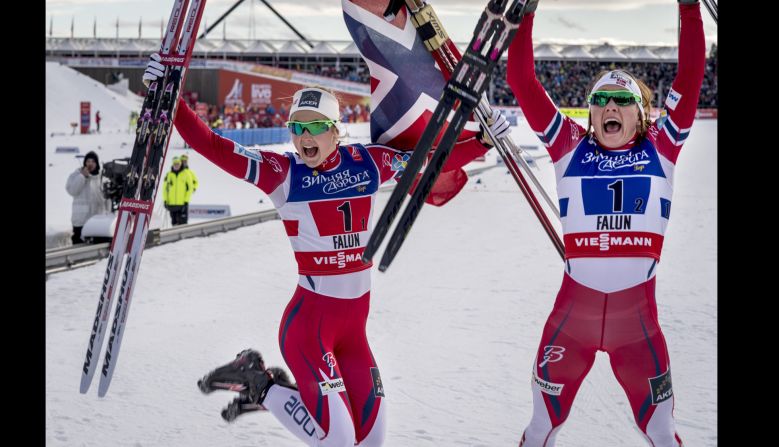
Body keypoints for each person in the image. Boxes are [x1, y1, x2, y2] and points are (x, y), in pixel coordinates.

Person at [144, 54, 510, 446]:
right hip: (308, 331)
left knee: (369, 442)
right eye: (297, 127)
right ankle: (260, 383)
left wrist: (483, 142)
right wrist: (171, 97)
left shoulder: (368, 163)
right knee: (336, 440)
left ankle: (276, 391)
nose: (304, 138)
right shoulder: (282, 174)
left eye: (315, 127)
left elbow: (429, 163)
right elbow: (212, 145)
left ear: (335, 130)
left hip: (353, 333)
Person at [505, 1, 705, 446]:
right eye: (599, 101)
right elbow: (520, 80)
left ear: (641, 113)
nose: (609, 106)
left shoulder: (662, 145)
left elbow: (689, 79)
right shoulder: (568, 146)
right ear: (590, 114)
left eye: (622, 100)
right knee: (542, 427)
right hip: (570, 320)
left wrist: (689, 8)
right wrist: (526, 10)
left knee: (660, 429)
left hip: (638, 327)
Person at [65, 151, 108, 245]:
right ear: (84, 163)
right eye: (88, 161)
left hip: (97, 219)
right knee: (78, 244)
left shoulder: (101, 178)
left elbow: (106, 197)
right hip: (80, 220)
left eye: (93, 161)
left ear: (97, 164)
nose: (90, 164)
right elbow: (72, 190)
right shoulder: (76, 174)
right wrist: (82, 176)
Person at [162, 156, 194, 226]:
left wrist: (186, 201)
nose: (176, 165)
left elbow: (190, 189)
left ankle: (184, 236)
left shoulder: (186, 174)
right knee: (174, 223)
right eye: (175, 164)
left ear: (180, 164)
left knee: (182, 223)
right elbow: (165, 189)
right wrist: (165, 200)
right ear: (173, 164)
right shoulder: (169, 175)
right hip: (171, 204)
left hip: (182, 204)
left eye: (178, 164)